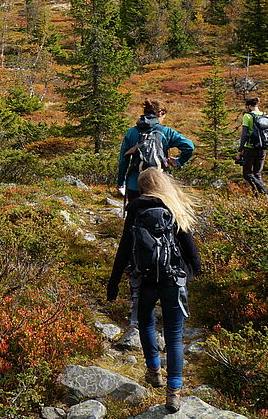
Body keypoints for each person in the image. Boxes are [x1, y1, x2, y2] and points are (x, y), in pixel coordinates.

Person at [107, 167, 202, 413]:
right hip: (173, 280)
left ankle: (153, 371)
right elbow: (189, 245)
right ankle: (174, 393)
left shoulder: (136, 210)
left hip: (145, 280)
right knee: (174, 336)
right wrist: (196, 268)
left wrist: (113, 282)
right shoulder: (173, 206)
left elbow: (124, 250)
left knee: (146, 323)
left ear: (141, 186)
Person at [116, 99, 195, 203]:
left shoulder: (131, 132)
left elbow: (123, 160)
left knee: (134, 215)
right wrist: (178, 161)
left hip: (135, 184)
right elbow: (189, 146)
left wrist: (121, 181)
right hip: (159, 183)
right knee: (160, 215)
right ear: (160, 113)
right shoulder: (166, 132)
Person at [236, 96, 268, 195]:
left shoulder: (248, 116)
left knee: (247, 174)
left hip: (250, 148)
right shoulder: (266, 117)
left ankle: (263, 192)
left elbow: (244, 134)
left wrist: (240, 150)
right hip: (263, 148)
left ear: (249, 106)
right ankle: (259, 198)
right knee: (257, 174)